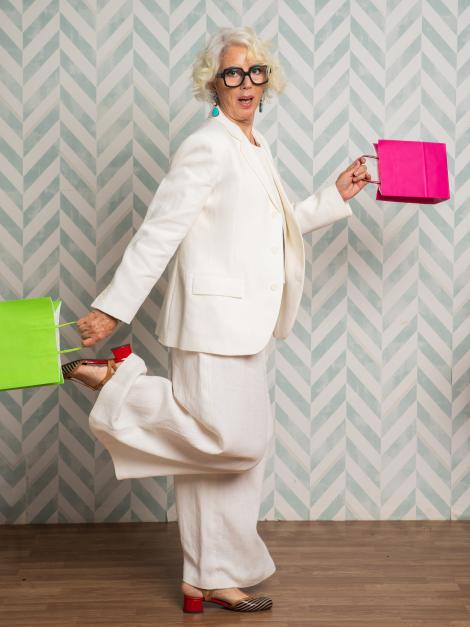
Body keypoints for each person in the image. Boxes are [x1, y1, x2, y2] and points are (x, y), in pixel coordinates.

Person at [62, 26, 371, 614]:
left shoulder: (254, 146)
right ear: (214, 83)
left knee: (223, 463)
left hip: (247, 320)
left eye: (255, 72)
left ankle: (208, 576)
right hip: (211, 321)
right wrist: (111, 307)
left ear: (268, 81)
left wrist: (334, 198)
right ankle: (115, 384)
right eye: (233, 73)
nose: (246, 83)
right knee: (236, 442)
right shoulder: (208, 144)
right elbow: (161, 229)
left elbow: (270, 232)